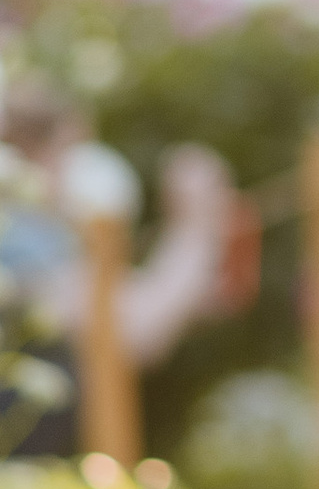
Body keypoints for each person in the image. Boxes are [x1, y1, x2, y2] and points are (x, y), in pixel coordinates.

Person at [0, 75, 241, 457]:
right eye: (71, 150)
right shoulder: (16, 232)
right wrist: (195, 230)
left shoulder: (39, 231)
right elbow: (131, 329)